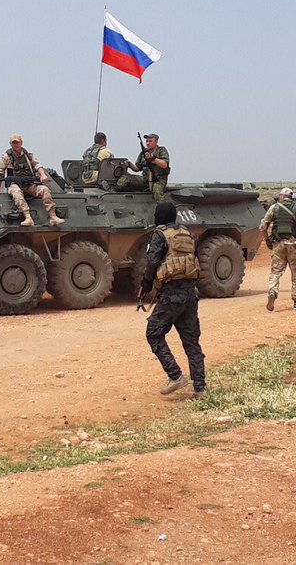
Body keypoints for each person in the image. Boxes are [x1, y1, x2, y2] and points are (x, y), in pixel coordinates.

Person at [140, 202, 205, 397]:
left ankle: (175, 375)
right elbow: (195, 259)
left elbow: (152, 262)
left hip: (171, 294)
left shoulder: (160, 235)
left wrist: (145, 286)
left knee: (153, 332)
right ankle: (200, 387)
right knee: (191, 340)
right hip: (190, 293)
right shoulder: (187, 234)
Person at [0, 134, 65, 227]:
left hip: (28, 184)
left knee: (45, 190)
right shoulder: (6, 157)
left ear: (21, 143)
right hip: (14, 183)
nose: (15, 145)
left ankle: (53, 216)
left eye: (17, 142)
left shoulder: (28, 156)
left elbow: (37, 166)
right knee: (16, 193)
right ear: (10, 144)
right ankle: (28, 217)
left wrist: (43, 175)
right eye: (13, 143)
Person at [260, 188, 296, 311]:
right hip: (293, 245)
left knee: (275, 272)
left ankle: (272, 292)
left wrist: (267, 240)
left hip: (278, 245)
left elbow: (262, 227)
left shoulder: (274, 208)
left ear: (282, 196)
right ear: (291, 197)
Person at [116, 133, 170, 202]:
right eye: (147, 141)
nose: (148, 143)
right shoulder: (143, 153)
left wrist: (153, 158)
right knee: (125, 179)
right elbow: (137, 168)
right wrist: (129, 164)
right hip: (145, 180)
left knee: (157, 190)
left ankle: (162, 208)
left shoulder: (161, 150)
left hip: (159, 180)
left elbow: (164, 165)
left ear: (156, 142)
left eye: (150, 141)